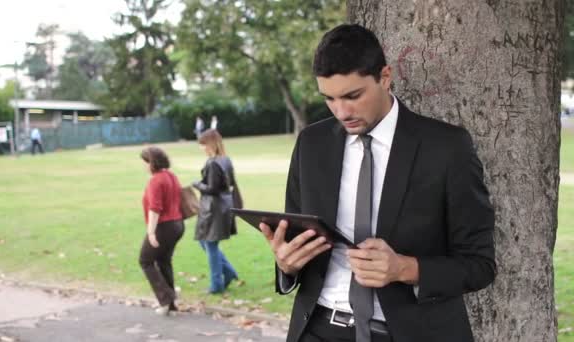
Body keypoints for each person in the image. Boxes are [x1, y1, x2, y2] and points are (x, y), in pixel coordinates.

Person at [260, 24, 496, 342]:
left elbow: (480, 264)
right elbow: (300, 238)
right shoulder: (311, 144)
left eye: (353, 96)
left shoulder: (447, 147)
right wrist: (286, 265)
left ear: (385, 77)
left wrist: (403, 268)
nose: (341, 111)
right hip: (318, 329)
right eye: (329, 98)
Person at [192, 129, 239, 294]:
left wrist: (197, 184)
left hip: (214, 209)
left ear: (211, 143)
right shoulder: (225, 160)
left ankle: (216, 285)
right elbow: (230, 185)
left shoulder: (213, 163)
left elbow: (212, 188)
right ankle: (229, 272)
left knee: (209, 244)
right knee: (207, 242)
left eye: (203, 144)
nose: (201, 148)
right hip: (224, 206)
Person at [139, 146, 185, 315]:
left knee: (145, 260)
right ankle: (171, 305)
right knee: (164, 261)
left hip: (164, 226)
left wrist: (151, 232)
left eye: (145, 162)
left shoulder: (156, 180)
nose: (144, 166)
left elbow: (155, 208)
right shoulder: (171, 176)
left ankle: (166, 298)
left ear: (152, 163)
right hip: (177, 225)